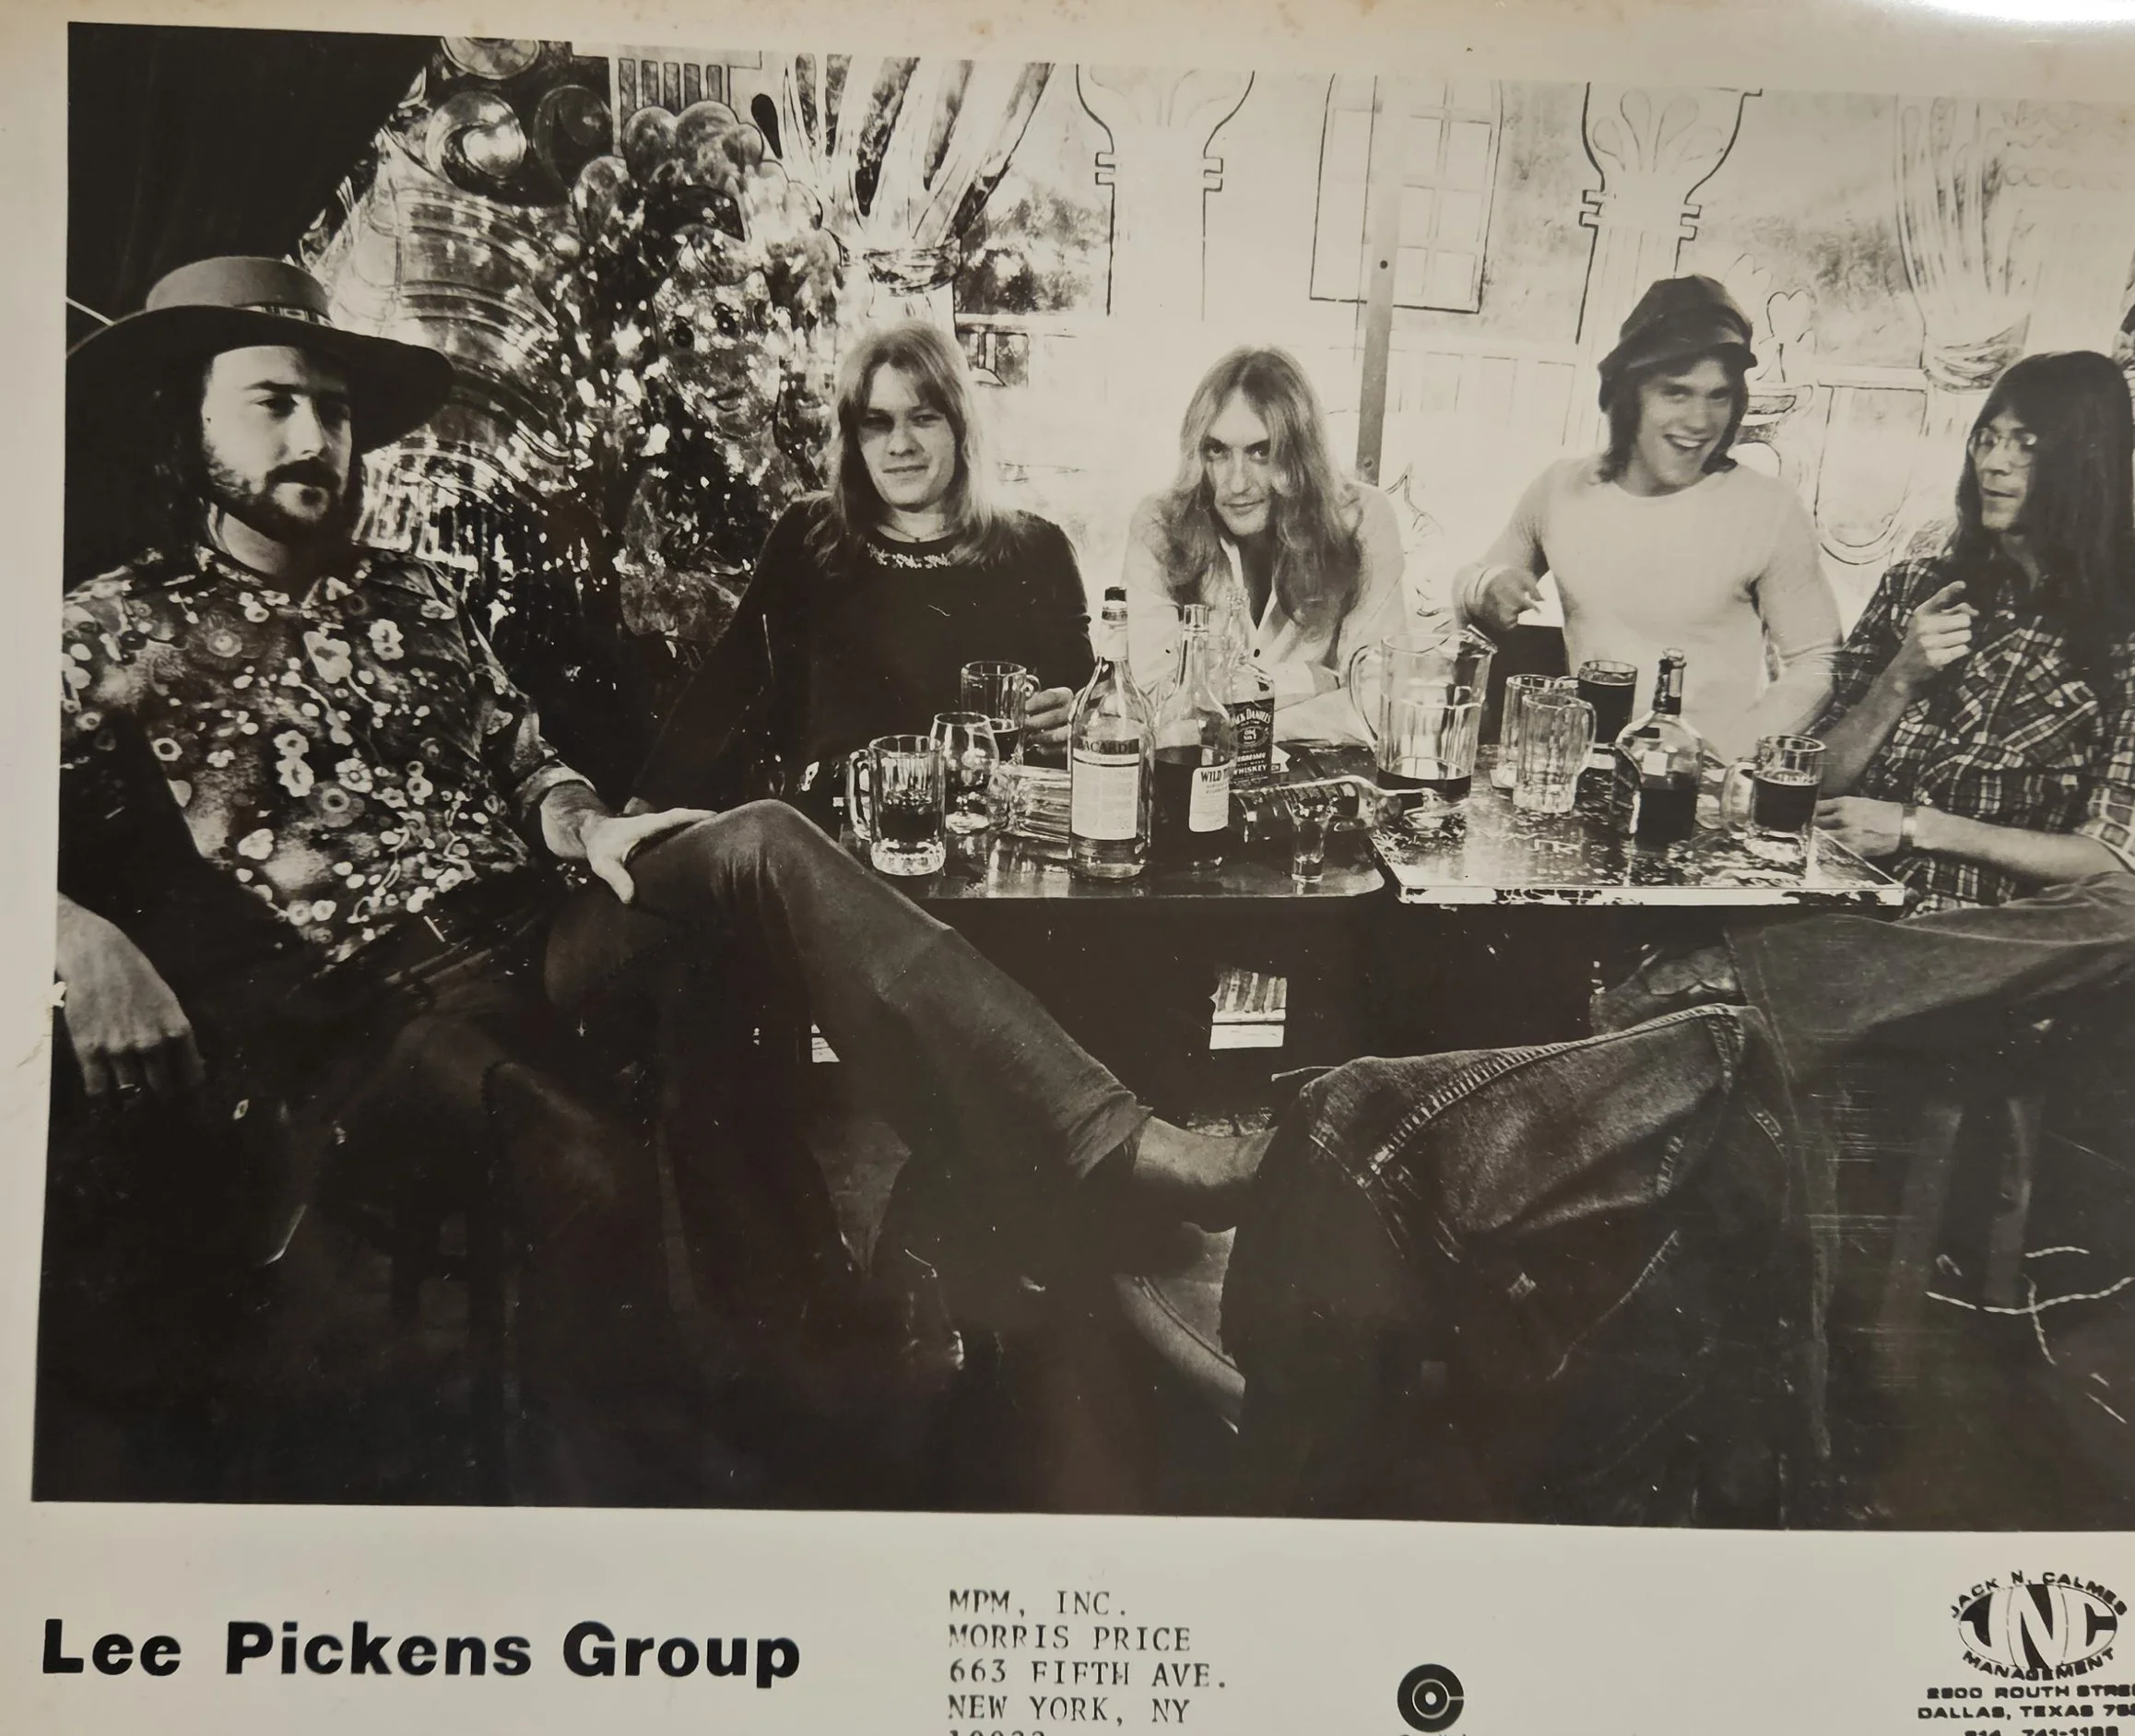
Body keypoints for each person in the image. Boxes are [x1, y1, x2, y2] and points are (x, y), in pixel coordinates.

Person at [50, 258, 1259, 1496]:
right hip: (362, 1008)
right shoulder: (102, 632)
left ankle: (1109, 1146)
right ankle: (616, 1510)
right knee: (592, 1170)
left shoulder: (412, 596)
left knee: (768, 845)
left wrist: (591, 824)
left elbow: (526, 765)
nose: (317, 436)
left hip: (532, 927)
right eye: (272, 404)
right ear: (183, 422)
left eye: (336, 407)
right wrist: (64, 927)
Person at [1594, 349, 2135, 1079]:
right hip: (1841, 902)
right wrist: (1899, 679)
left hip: (1982, 937)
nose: (1993, 464)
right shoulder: (1920, 583)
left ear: (2086, 463)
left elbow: (2114, 855)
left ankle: (1740, 976)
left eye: (2026, 446)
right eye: (1986, 438)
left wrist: (1917, 826)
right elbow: (1814, 780)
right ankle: (1754, 984)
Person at [638, 320, 1091, 823]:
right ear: (855, 439)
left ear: (962, 428)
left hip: (980, 848)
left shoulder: (1037, 550)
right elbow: (725, 683)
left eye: (923, 418)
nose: (900, 445)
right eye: (877, 423)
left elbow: (1085, 719)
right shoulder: (807, 534)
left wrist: (1069, 724)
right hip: (827, 843)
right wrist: (640, 811)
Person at [1453, 276, 1839, 760]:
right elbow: (1471, 584)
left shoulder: (1769, 509)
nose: (1701, 422)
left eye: (1718, 395)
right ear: (1629, 395)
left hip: (1697, 795)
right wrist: (1489, 586)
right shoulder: (1560, 489)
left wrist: (1717, 753)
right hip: (1583, 773)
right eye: (1677, 393)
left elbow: (1817, 664)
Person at [1122, 345, 1405, 743]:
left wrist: (1238, 723)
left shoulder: (1361, 519)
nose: (1236, 484)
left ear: (1301, 456)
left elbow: (1381, 705)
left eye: (1261, 452)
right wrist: (1311, 682)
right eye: (1217, 451)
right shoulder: (1160, 522)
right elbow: (1151, 700)